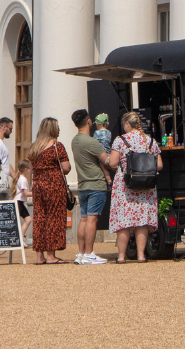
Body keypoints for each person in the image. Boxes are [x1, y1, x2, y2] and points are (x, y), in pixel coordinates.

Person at [106, 112, 161, 264]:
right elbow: (160, 165)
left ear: (127, 124)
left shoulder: (120, 140)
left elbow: (112, 163)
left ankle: (122, 257)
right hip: (146, 186)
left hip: (125, 185)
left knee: (124, 221)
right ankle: (141, 256)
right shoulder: (150, 141)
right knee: (141, 221)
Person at [28, 117, 71, 264]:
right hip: (53, 184)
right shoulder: (57, 147)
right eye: (57, 127)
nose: (59, 130)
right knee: (54, 217)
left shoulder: (34, 147)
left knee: (39, 217)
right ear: (52, 129)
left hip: (38, 184)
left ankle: (40, 256)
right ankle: (51, 255)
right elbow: (66, 168)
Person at [70, 109, 109, 264]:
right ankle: (89, 253)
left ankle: (81, 253)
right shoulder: (91, 142)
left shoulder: (75, 140)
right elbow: (107, 160)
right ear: (88, 121)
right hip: (95, 183)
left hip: (83, 184)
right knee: (92, 219)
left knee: (84, 219)